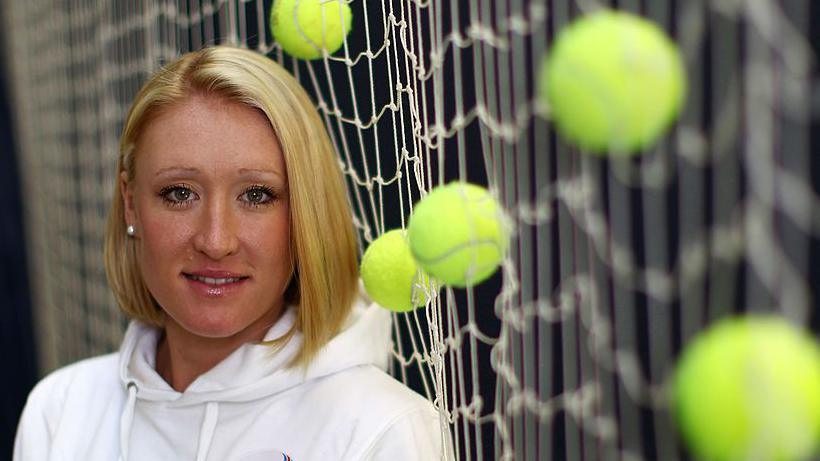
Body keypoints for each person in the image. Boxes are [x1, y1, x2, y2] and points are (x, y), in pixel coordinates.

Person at [14, 46, 444, 460]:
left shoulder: (381, 429)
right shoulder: (60, 410)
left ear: (305, 214)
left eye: (257, 195)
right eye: (179, 193)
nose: (216, 241)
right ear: (131, 203)